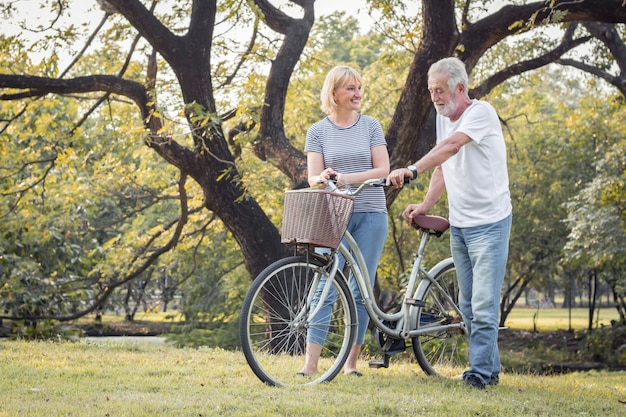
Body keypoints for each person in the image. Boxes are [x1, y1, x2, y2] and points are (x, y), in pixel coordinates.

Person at [387, 57, 512, 390]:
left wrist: (412, 170)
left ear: (460, 87)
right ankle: (490, 369)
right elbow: (445, 162)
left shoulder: (480, 113)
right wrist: (426, 203)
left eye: (439, 90)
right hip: (461, 224)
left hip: (491, 224)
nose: (435, 97)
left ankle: (479, 375)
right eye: (430, 91)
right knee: (470, 305)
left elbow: (454, 145)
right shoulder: (445, 119)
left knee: (484, 305)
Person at [299, 65, 390, 377]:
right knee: (324, 284)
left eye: (359, 88)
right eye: (350, 88)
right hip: (333, 214)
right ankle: (310, 366)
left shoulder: (371, 127)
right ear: (334, 93)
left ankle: (350, 364)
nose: (358, 94)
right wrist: (322, 178)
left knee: (359, 289)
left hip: (370, 213)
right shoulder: (318, 131)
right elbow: (312, 177)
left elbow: (383, 170)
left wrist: (347, 177)